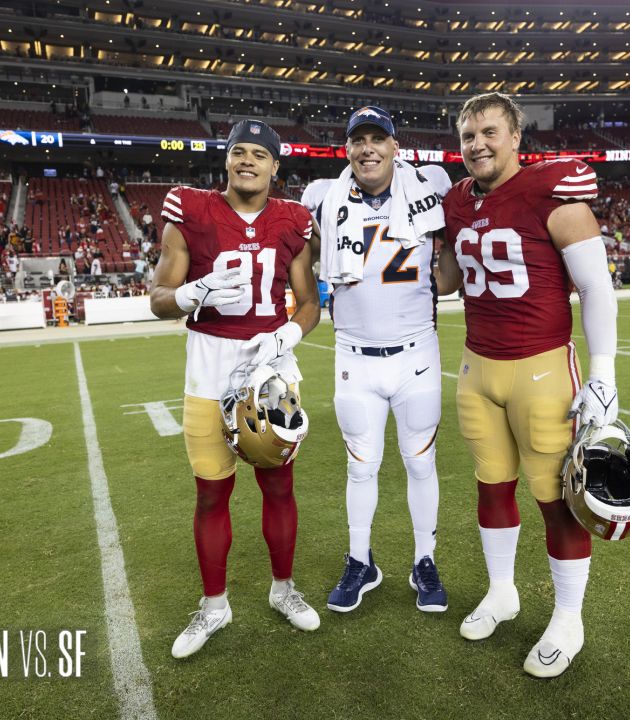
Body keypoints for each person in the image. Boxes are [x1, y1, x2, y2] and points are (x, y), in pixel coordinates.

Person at [434, 92, 621, 679]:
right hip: (476, 367)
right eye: (468, 135)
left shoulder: (551, 188)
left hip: (541, 369)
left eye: (489, 132)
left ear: (517, 137)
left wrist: (604, 372)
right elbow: (445, 278)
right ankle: (502, 592)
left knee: (555, 498)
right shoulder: (456, 200)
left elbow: (596, 288)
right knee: (491, 487)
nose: (477, 144)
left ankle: (569, 618)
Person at [151, 120, 322, 659]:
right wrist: (191, 292)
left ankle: (283, 590)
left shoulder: (294, 219)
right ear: (227, 160)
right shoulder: (192, 210)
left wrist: (289, 332)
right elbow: (158, 297)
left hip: (270, 375)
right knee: (210, 493)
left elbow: (310, 300)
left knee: (279, 488)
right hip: (207, 372)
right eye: (238, 152)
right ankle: (214, 605)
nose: (247, 161)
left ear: (276, 166)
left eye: (259, 155)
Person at [299, 106, 452, 614]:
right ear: (346, 149)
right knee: (360, 469)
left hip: (417, 353)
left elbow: (451, 257)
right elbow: (306, 255)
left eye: (377, 139)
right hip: (354, 357)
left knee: (420, 462)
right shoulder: (322, 196)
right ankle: (360, 560)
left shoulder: (429, 185)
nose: (368, 148)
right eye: (358, 140)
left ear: (394, 147)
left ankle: (424, 561)